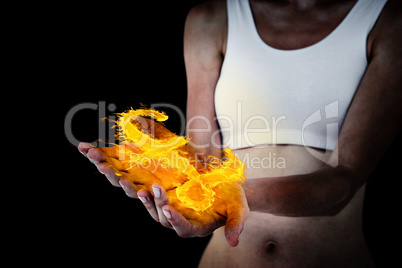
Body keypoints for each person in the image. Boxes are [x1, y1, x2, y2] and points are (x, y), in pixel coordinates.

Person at [78, 0, 401, 267]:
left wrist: (239, 196)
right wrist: (169, 172)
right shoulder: (211, 20)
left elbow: (343, 182)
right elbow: (203, 161)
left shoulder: (386, 21)